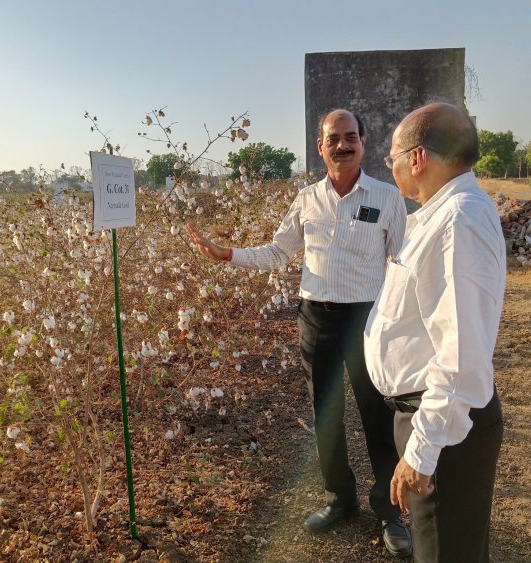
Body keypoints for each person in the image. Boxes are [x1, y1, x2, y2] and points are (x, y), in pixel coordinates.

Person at [187, 109, 411, 557]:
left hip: (367, 320)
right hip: (317, 319)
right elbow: (277, 253)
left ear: (363, 143)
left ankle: (389, 511)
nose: (343, 145)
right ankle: (340, 498)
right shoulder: (307, 199)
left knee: (377, 416)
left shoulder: (387, 198)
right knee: (325, 414)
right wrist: (226, 254)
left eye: (351, 137)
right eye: (334, 138)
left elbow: (403, 265)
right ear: (320, 146)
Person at [364, 102, 506, 562]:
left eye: (392, 157)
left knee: (446, 553)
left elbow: (462, 353)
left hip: (444, 428)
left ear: (418, 158)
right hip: (433, 419)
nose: (391, 166)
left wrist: (422, 453)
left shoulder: (458, 221)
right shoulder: (439, 214)